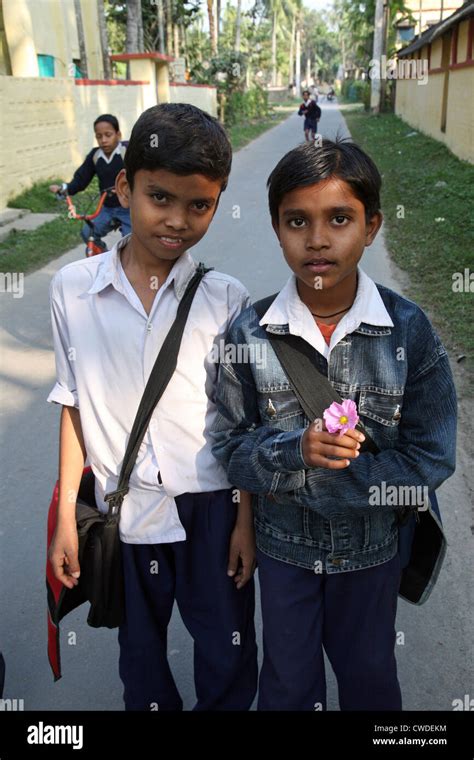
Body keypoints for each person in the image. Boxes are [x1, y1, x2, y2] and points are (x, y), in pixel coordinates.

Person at [211, 139, 457, 711]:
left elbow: (431, 457)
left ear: (371, 226)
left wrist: (334, 479)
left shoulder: (408, 332)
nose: (317, 239)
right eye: (297, 221)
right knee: (288, 684)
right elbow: (229, 444)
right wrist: (293, 450)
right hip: (284, 552)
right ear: (276, 228)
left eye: (339, 219)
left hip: (372, 552)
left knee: (370, 679)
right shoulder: (248, 334)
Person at [47, 103, 258, 711]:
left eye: (200, 206)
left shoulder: (225, 298)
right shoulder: (73, 292)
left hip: (212, 508)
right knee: (140, 659)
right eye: (159, 198)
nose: (177, 221)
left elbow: (244, 421)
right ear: (123, 187)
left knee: (228, 649)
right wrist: (66, 516)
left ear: (217, 202)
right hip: (126, 508)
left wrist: (244, 519)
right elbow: (73, 406)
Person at [49, 114, 131, 252]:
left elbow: (143, 175)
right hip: (107, 209)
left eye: (108, 135)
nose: (103, 140)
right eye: (99, 136)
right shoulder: (96, 155)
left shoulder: (127, 151)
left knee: (132, 243)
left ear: (118, 134)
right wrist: (63, 188)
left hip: (128, 208)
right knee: (88, 233)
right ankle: (106, 261)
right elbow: (81, 180)